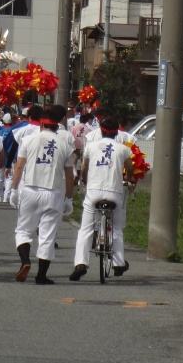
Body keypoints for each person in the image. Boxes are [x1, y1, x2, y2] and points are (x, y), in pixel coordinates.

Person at [10, 105, 75, 285]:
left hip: (31, 189)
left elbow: (19, 166)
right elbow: (69, 175)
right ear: (58, 126)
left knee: (23, 230)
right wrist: (69, 198)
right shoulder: (65, 145)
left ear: (41, 124)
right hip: (53, 193)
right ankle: (41, 275)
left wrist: (14, 189)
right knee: (47, 235)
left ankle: (25, 261)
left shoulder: (29, 140)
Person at [69, 116, 136, 282]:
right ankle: (118, 263)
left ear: (101, 131)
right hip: (115, 192)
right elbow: (130, 169)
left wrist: (84, 180)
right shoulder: (123, 149)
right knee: (116, 227)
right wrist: (130, 179)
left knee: (86, 229)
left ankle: (81, 263)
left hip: (94, 192)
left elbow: (84, 168)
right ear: (116, 133)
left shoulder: (91, 147)